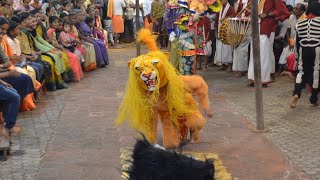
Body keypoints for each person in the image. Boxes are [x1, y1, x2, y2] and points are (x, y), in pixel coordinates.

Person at [290, 2, 320, 108]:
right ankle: (313, 99)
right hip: (317, 48)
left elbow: (297, 42)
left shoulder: (300, 23)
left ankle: (296, 93)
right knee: (316, 73)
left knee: (301, 72)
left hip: (303, 49)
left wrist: (297, 56)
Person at [47, 16, 83, 82]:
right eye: (54, 22)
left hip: (59, 47)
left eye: (57, 22)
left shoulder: (55, 30)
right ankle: (72, 76)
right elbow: (52, 43)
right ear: (50, 23)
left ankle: (75, 76)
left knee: (74, 56)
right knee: (73, 56)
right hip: (54, 48)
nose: (56, 24)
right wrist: (61, 47)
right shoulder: (50, 31)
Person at [214, 0, 235, 71]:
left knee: (228, 48)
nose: (221, 1)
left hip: (228, 31)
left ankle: (229, 66)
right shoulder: (219, 9)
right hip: (220, 30)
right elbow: (216, 21)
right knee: (220, 48)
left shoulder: (231, 8)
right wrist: (216, 32)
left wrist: (226, 18)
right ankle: (222, 65)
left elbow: (233, 17)